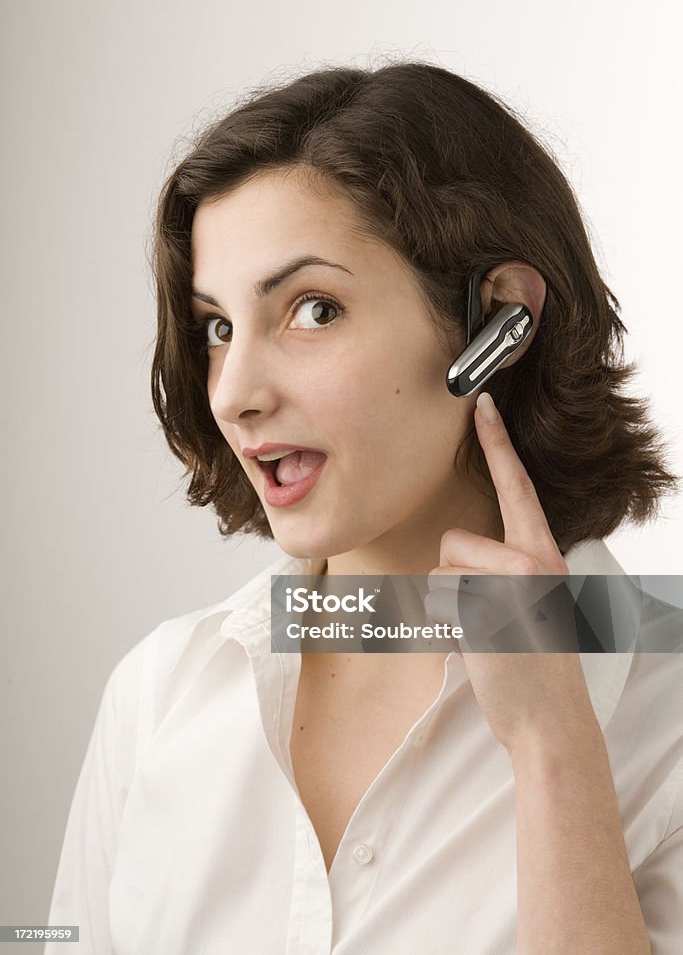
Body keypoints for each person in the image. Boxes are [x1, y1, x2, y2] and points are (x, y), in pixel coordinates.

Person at [45, 62, 683, 954]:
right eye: (217, 326)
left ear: (498, 323)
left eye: (312, 309)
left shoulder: (667, 718)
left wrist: (553, 750)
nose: (233, 394)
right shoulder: (161, 692)